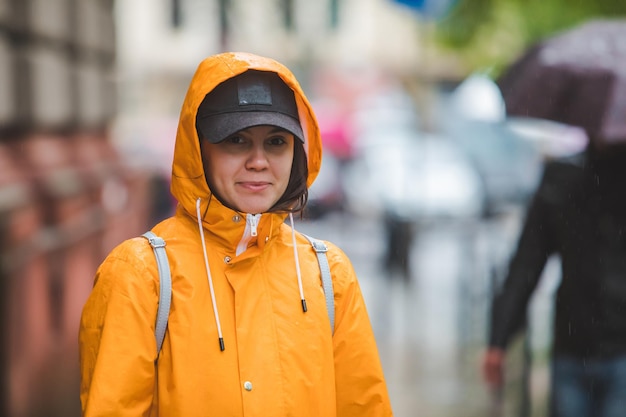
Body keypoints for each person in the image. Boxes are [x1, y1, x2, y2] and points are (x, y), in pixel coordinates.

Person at [79, 52, 394, 417]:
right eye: (236, 140)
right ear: (199, 150)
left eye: (276, 141)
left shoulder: (329, 274)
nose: (258, 161)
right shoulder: (140, 274)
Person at [482, 134, 626, 417]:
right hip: (575, 349)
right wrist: (498, 338)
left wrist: (499, 339)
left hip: (583, 347)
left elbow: (526, 265)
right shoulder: (562, 179)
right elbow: (527, 263)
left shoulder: (562, 177)